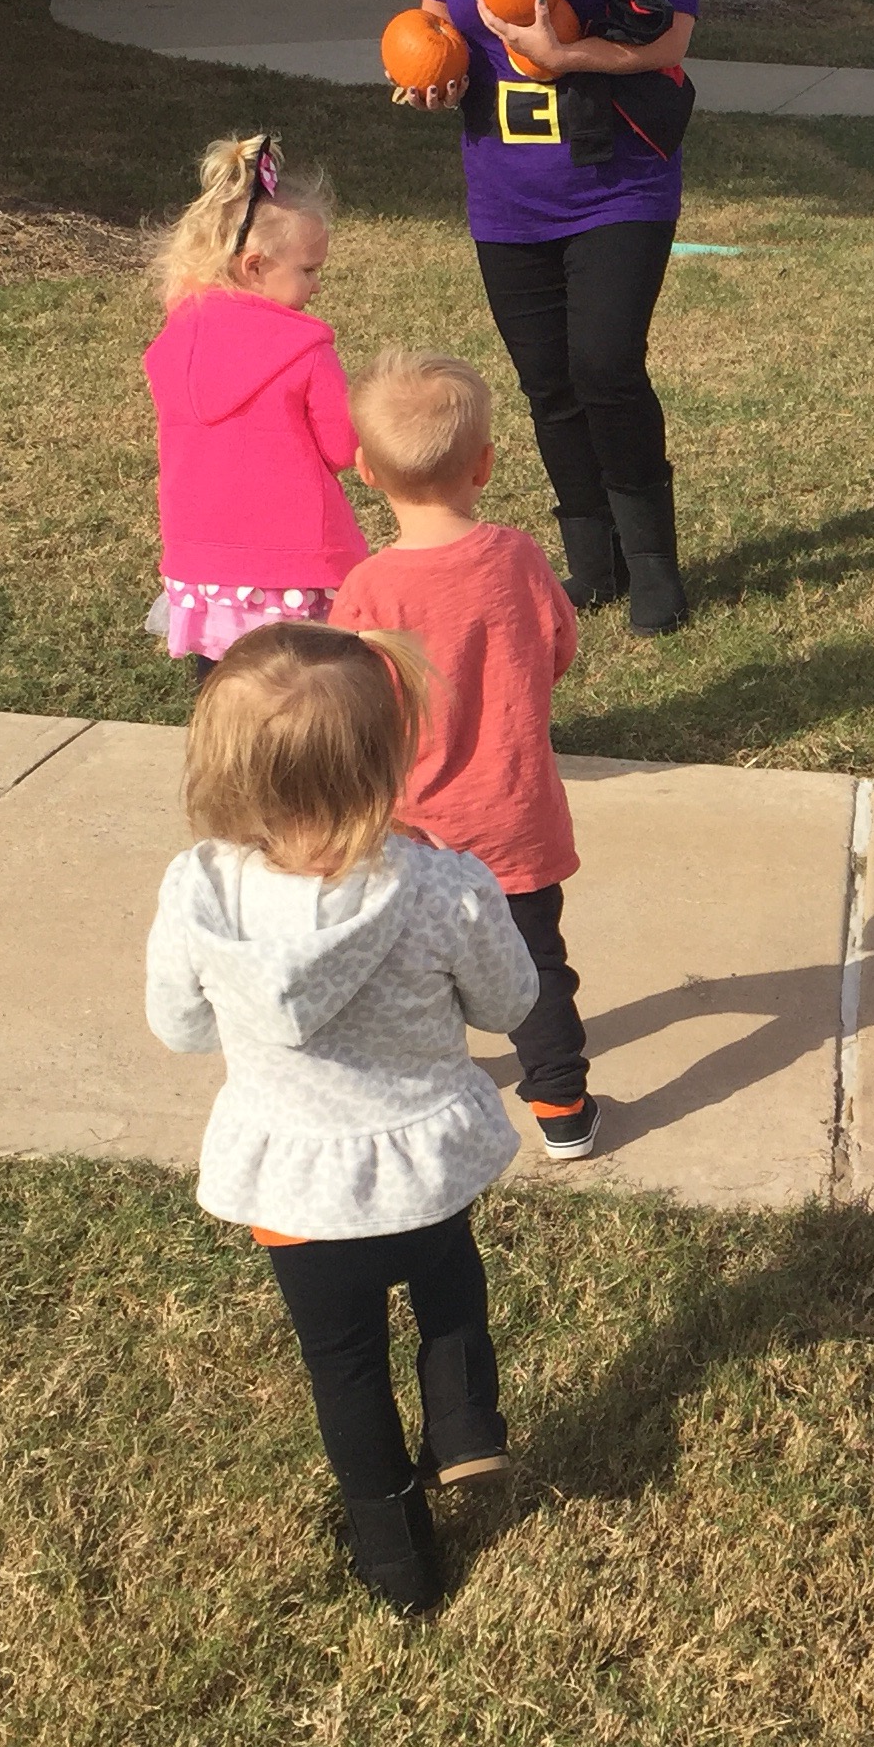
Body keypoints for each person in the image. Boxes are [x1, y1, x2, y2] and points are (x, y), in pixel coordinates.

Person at [144, 623, 541, 1615]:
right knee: (450, 1289)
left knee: (344, 1366)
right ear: (391, 756)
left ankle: (395, 1557)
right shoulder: (443, 887)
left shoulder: (199, 893)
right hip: (424, 1168)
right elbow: (511, 1004)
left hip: (293, 1193)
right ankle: (465, 1423)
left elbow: (178, 1027)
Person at [393, 0, 703, 637]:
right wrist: (435, 78)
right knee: (548, 382)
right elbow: (438, 29)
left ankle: (653, 561)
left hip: (618, 180)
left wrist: (567, 57)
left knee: (606, 364)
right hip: (505, 190)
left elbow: (671, 40)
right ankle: (592, 560)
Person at [332, 347, 598, 1164]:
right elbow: (558, 647)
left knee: (411, 961)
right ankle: (561, 1104)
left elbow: (349, 704)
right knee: (533, 962)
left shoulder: (369, 589)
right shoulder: (517, 557)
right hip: (516, 812)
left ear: (365, 471)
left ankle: (420, 1079)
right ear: (483, 464)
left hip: (411, 827)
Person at [140, 134, 364, 688]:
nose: (316, 285)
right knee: (305, 696)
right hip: (298, 563)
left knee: (225, 691)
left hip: (203, 566)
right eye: (309, 270)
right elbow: (343, 448)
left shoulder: (172, 342)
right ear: (255, 266)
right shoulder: (306, 348)